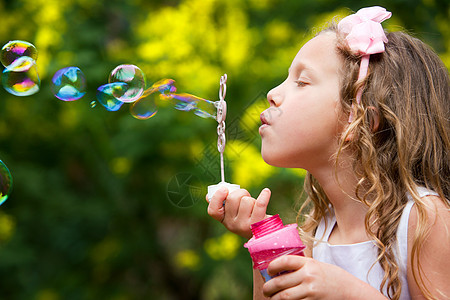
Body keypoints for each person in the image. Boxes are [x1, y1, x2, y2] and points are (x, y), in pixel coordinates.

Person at [206, 6, 450, 300]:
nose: (272, 93)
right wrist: (265, 242)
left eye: (302, 82)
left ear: (361, 120)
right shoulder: (317, 233)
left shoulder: (425, 220)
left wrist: (345, 291)